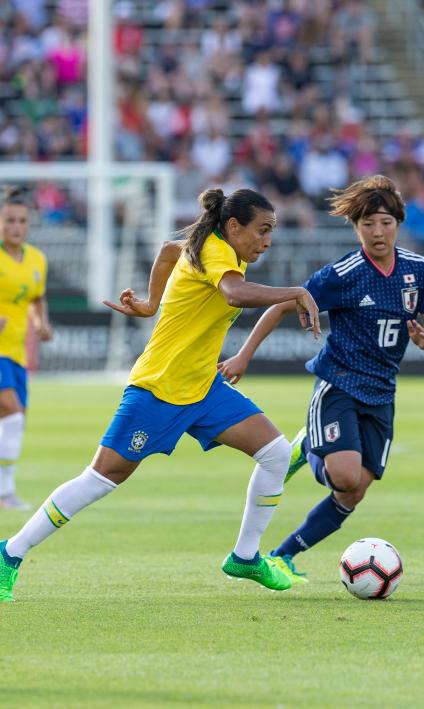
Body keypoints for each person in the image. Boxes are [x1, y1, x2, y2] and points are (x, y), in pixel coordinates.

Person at [0, 187, 320, 602]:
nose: (268, 241)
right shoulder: (217, 252)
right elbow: (235, 294)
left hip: (202, 387)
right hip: (160, 388)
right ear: (234, 226)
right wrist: (295, 291)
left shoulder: (219, 250)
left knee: (276, 452)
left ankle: (245, 556)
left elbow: (170, 250)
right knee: (100, 479)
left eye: (271, 231)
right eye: (262, 230)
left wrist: (152, 303)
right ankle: (10, 553)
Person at [218, 175, 424, 584]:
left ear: (398, 222)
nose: (377, 232)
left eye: (385, 222)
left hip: (381, 394)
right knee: (342, 473)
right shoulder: (345, 273)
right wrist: (244, 354)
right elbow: (284, 305)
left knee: (353, 490)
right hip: (338, 383)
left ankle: (284, 554)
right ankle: (310, 444)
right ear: (356, 226)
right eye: (368, 224)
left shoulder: (419, 271)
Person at [0, 186, 53, 510]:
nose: (15, 226)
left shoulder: (36, 260)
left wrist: (40, 322)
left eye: (21, 221)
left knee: (12, 421)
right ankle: (5, 493)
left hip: (17, 352)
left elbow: (36, 297)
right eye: (9, 220)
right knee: (14, 416)